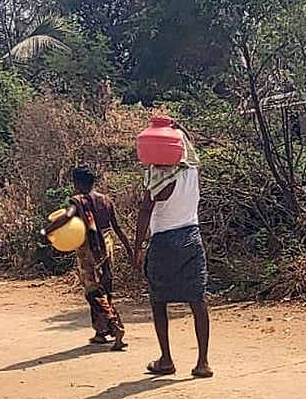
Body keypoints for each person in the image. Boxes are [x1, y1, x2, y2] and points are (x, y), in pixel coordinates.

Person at [135, 122, 212, 378]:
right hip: (191, 238)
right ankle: (202, 362)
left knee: (159, 300)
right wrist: (180, 128)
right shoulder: (191, 172)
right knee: (197, 300)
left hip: (163, 241)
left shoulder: (155, 175)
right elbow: (191, 150)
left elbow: (145, 211)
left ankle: (166, 359)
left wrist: (137, 247)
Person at [42, 166, 133, 351]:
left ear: (78, 183)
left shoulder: (78, 201)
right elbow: (117, 228)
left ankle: (115, 326)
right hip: (107, 246)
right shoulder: (106, 200)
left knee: (93, 291)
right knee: (105, 288)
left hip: (89, 248)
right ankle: (101, 332)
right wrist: (130, 250)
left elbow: (67, 217)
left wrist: (47, 231)